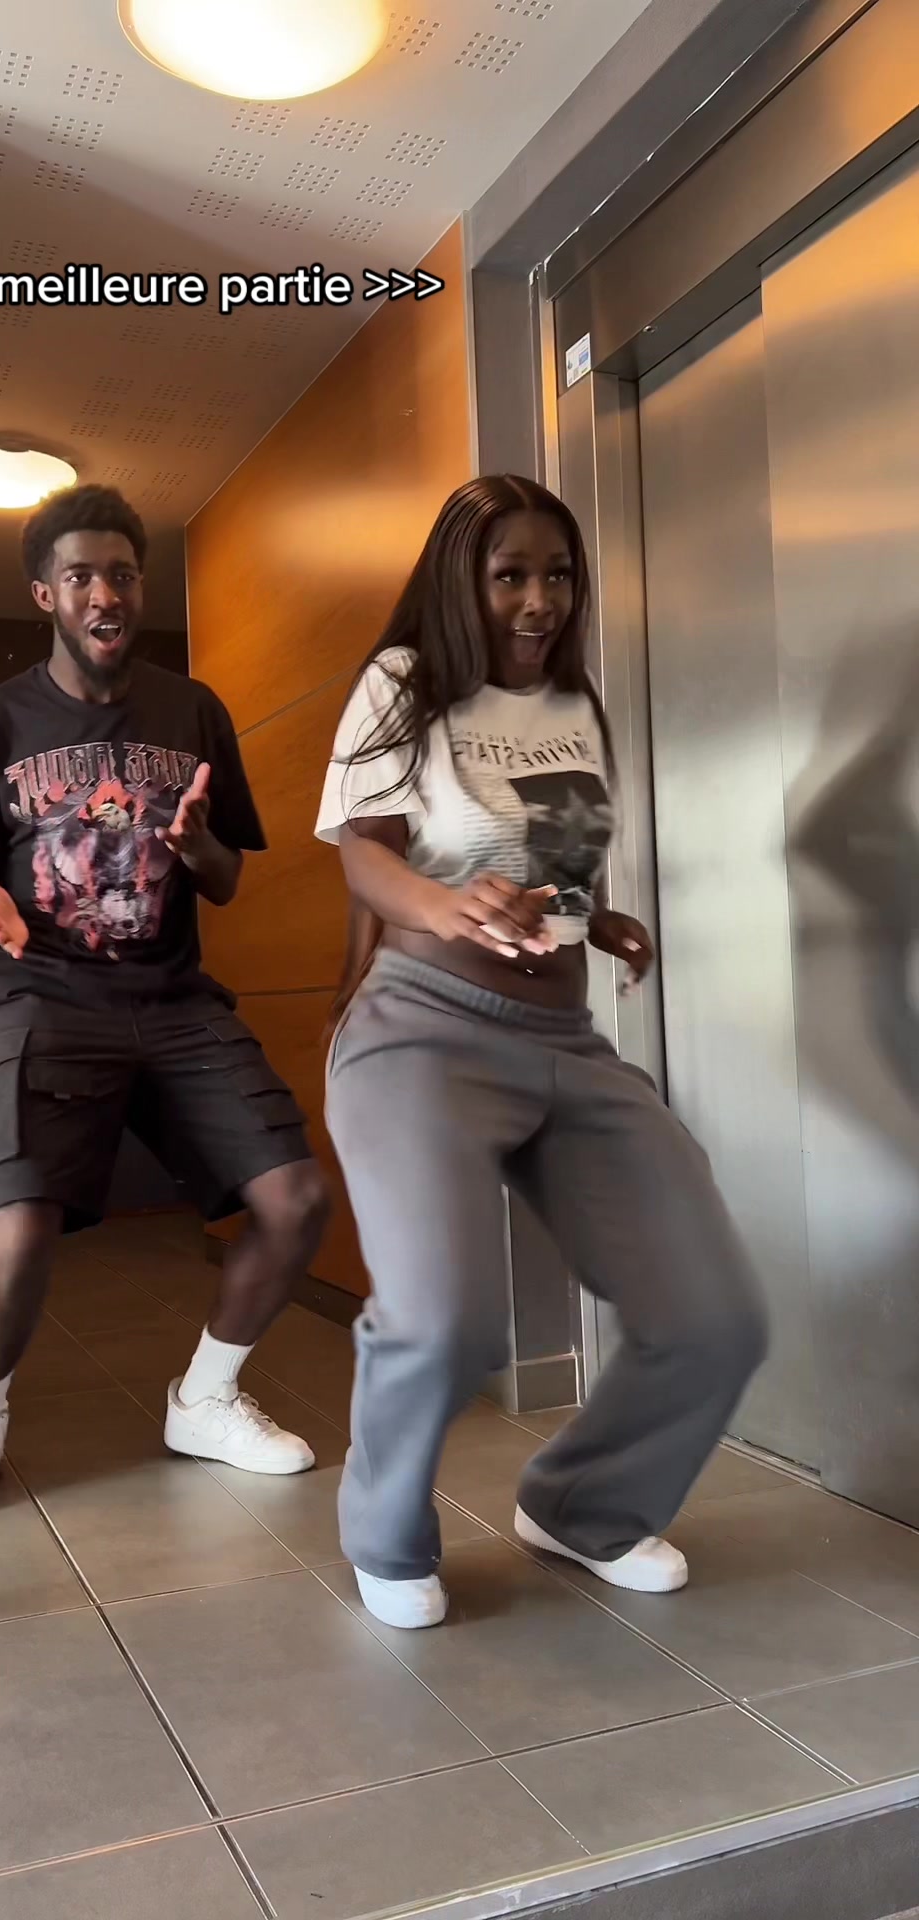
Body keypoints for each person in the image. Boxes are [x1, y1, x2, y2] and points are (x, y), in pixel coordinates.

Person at [314, 475, 768, 1629]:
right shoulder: (404, 682)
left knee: (713, 1315)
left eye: (556, 575)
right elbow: (366, 854)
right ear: (460, 579)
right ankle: (384, 1532)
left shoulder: (574, 702)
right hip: (423, 1032)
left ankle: (582, 1507)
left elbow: (554, 858)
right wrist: (444, 903)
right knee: (447, 1319)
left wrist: (596, 921)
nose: (537, 600)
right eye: (509, 574)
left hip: (565, 1039)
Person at [0, 484, 329, 1520]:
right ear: (45, 595)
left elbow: (227, 877)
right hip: (43, 996)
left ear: (139, 587)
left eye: (123, 574)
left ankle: (205, 1398)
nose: (105, 593)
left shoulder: (195, 711)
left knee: (296, 1203)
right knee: (19, 1231)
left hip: (176, 999)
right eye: (81, 577)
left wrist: (196, 848)